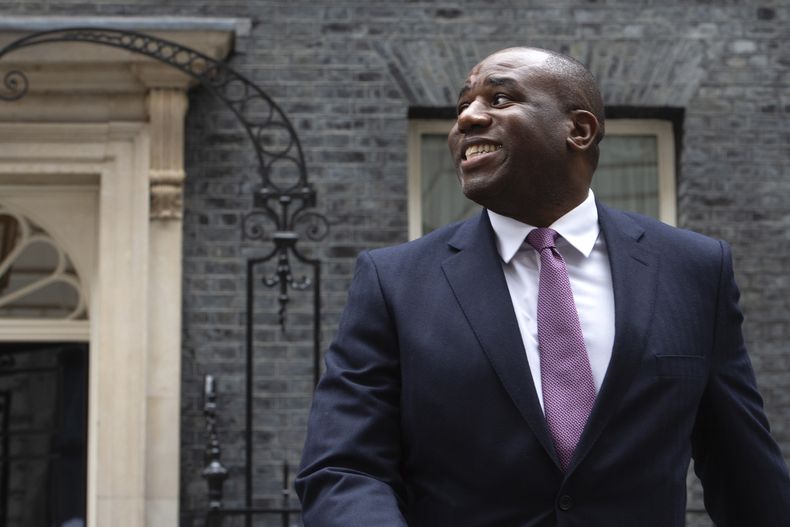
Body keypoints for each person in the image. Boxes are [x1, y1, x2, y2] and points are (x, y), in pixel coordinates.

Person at [295, 47, 790, 526]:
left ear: (579, 130)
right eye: (462, 105)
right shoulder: (394, 281)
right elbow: (345, 468)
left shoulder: (693, 268)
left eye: (499, 98)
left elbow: (743, 468)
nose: (467, 118)